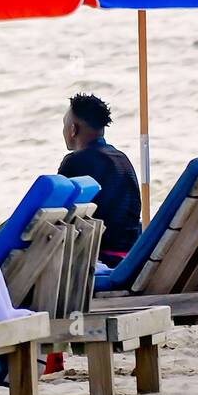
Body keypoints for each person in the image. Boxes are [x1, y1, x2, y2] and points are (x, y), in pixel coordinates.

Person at [58, 93, 142, 266]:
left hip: (99, 259)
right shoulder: (122, 159)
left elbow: (57, 217)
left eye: (64, 125)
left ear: (73, 129)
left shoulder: (75, 162)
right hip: (131, 257)